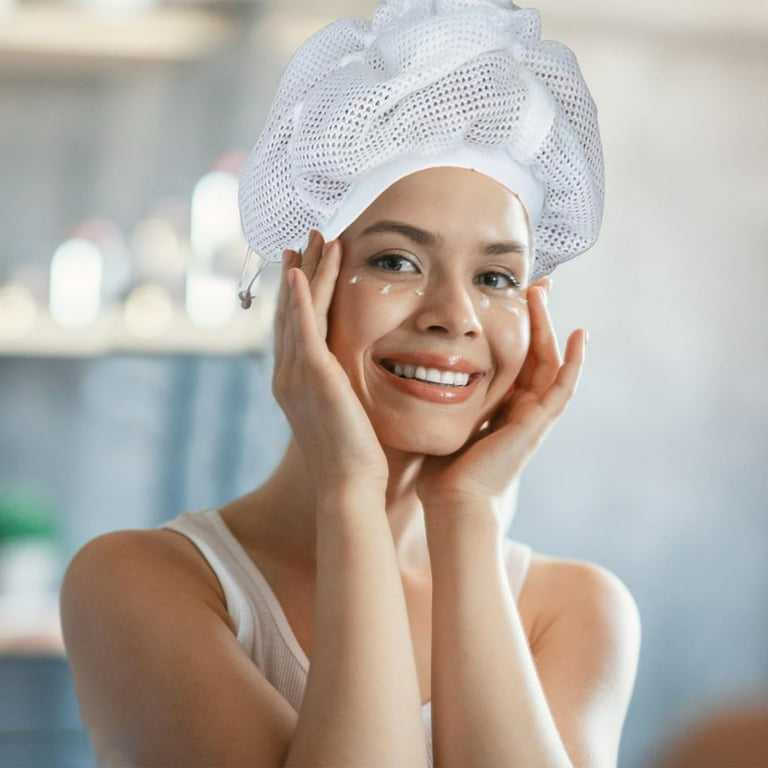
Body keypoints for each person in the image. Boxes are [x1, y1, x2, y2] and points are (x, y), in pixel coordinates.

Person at [60, 1, 641, 766]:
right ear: (303, 292)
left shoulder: (576, 612)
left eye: (497, 275)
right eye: (396, 261)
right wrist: (351, 493)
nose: (455, 316)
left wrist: (465, 514)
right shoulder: (141, 583)